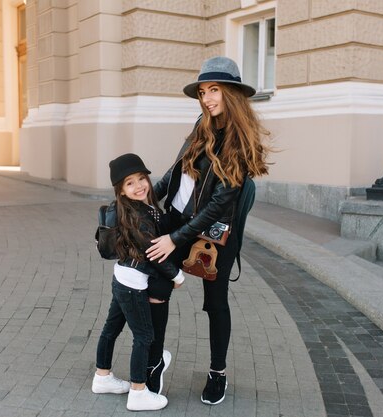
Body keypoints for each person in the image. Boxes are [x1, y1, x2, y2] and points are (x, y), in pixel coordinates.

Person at [145, 56, 271, 405]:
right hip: (177, 220)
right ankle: (154, 362)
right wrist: (148, 200)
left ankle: (218, 372)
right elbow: (176, 171)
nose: (207, 98)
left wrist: (175, 238)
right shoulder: (202, 123)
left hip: (215, 233)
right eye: (203, 91)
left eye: (214, 90)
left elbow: (218, 205)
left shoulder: (241, 142)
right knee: (157, 284)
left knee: (215, 304)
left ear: (230, 93)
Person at [92, 153, 185, 412]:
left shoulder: (136, 209)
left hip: (122, 278)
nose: (139, 186)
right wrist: (177, 276)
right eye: (129, 183)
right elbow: (152, 252)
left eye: (141, 178)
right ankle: (138, 392)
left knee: (111, 328)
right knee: (144, 336)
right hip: (133, 283)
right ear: (121, 190)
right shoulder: (138, 216)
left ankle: (102, 377)